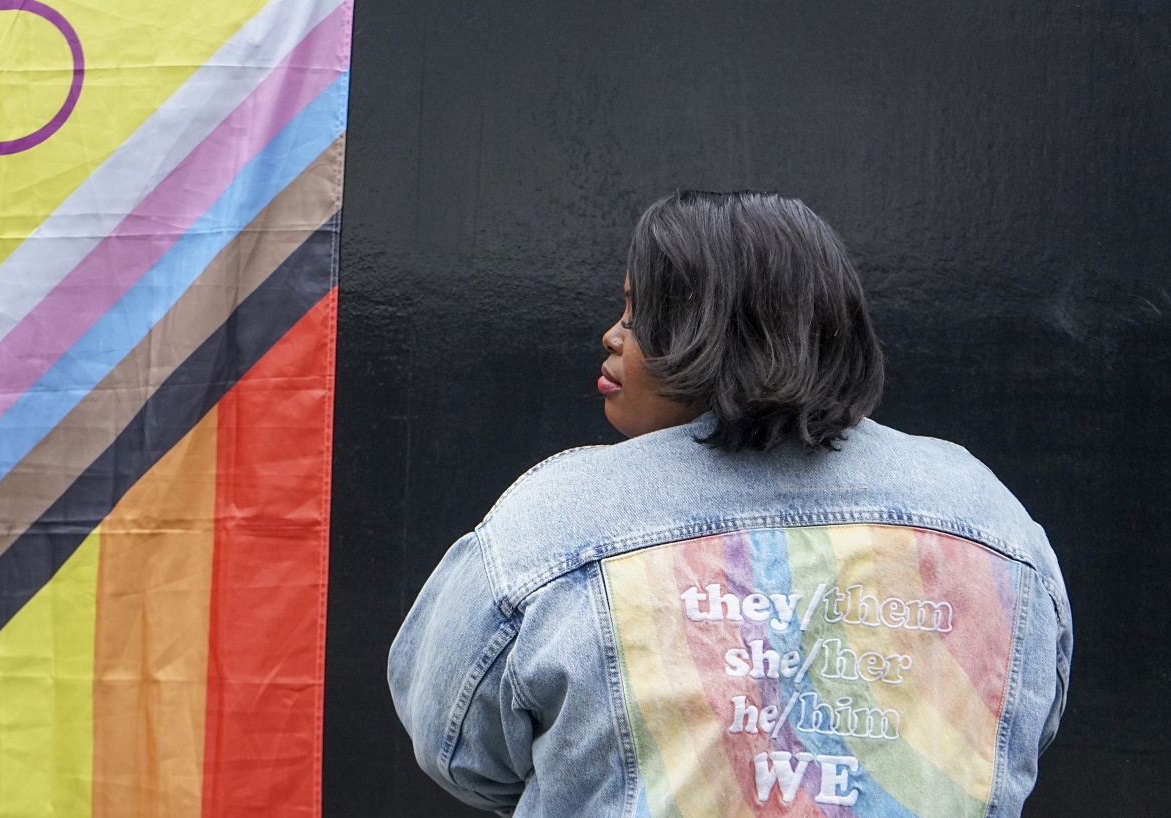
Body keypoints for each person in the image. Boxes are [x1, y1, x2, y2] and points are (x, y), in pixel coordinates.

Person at [388, 191, 1072, 817]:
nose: (612, 335)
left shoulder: (557, 520)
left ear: (716, 329)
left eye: (641, 314)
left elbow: (457, 743)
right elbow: (1020, 735)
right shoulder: (990, 517)